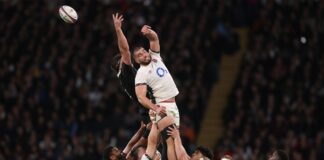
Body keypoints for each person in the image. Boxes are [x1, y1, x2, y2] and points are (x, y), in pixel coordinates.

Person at [111, 13, 154, 143]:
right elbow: (125, 50)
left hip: (145, 108)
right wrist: (118, 30)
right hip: (148, 107)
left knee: (154, 142)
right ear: (119, 64)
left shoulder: (125, 75)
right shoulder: (124, 71)